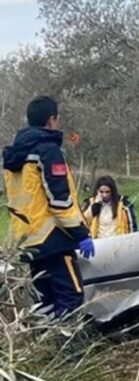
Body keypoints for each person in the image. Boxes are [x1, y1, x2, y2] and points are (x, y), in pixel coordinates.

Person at [3, 96, 95, 317]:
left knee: (45, 299)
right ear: (52, 119)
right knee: (71, 297)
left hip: (28, 240)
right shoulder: (48, 151)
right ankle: (70, 350)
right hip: (54, 238)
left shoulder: (13, 155)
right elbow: (59, 201)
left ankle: (47, 344)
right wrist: (81, 233)